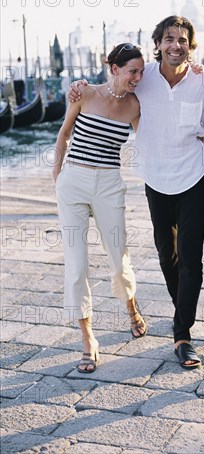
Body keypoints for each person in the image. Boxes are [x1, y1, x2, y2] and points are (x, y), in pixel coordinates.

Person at [69, 16, 204, 370]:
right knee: (168, 256)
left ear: (190, 46)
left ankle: (182, 334)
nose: (175, 45)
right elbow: (113, 87)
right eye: (169, 38)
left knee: (192, 259)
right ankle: (181, 311)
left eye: (182, 39)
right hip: (155, 179)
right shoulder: (143, 77)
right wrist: (79, 86)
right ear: (159, 43)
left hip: (195, 177)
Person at [53, 43, 147, 374]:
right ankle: (88, 339)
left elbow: (149, 144)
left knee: (118, 259)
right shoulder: (84, 94)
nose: (138, 77)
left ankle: (131, 306)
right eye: (132, 71)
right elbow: (64, 135)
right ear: (114, 68)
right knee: (76, 264)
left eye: (141, 71)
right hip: (74, 180)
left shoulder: (135, 105)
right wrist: (58, 177)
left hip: (109, 182)